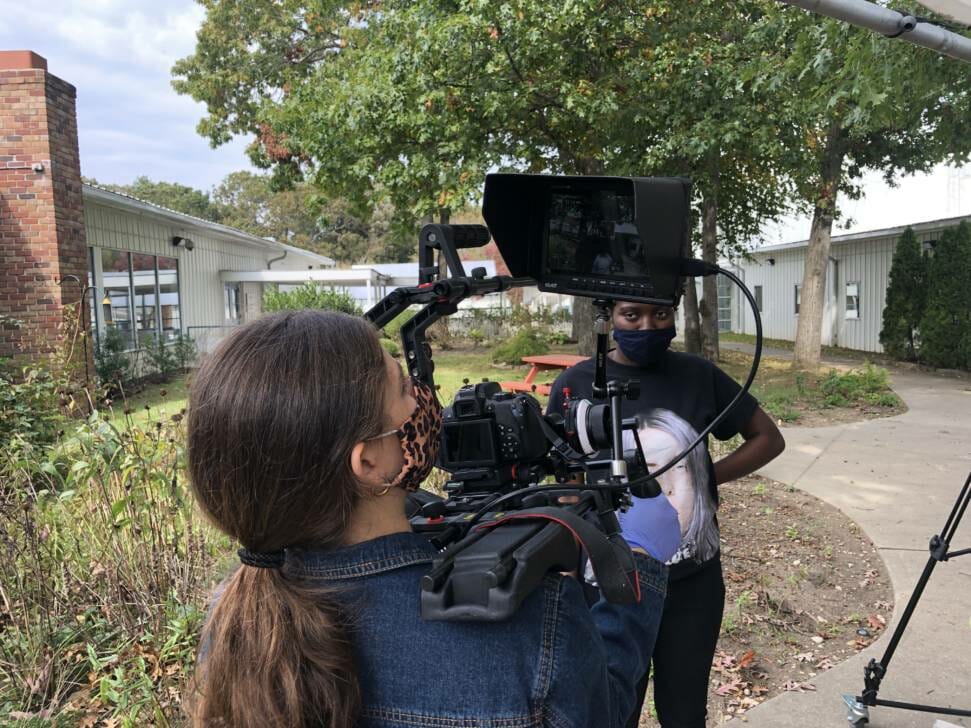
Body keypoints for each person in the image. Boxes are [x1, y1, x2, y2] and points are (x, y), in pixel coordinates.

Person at [184, 309, 684, 728]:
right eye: (404, 387)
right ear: (369, 463)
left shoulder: (236, 617)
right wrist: (638, 565)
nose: (425, 399)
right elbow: (605, 710)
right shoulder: (530, 626)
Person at [547, 300, 786, 728]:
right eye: (631, 315)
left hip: (691, 584)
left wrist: (703, 474)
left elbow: (767, 438)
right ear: (609, 318)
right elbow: (562, 480)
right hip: (609, 582)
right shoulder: (576, 383)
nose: (647, 325)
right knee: (614, 707)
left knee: (685, 712)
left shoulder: (699, 376)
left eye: (660, 315)